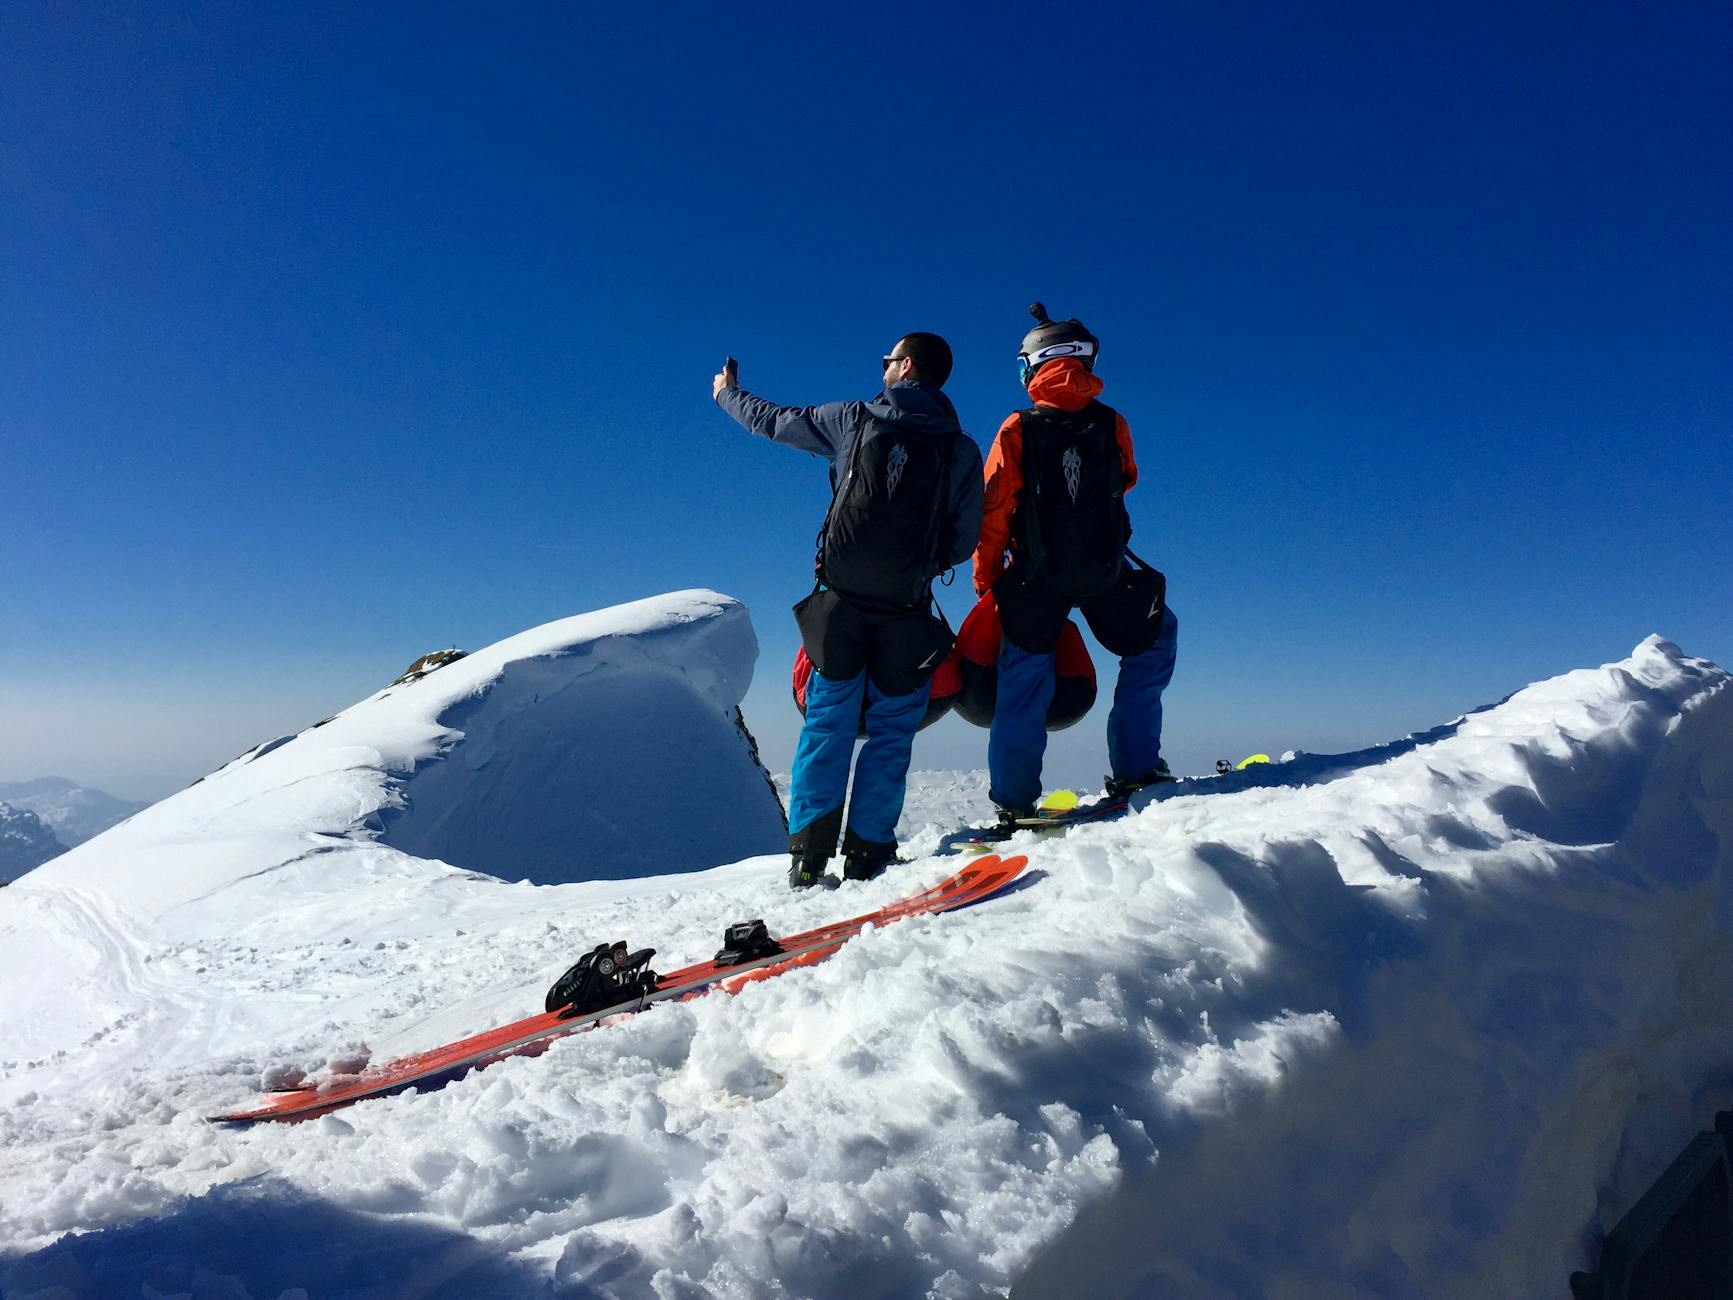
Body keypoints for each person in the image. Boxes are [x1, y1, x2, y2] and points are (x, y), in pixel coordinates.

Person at [713, 335, 983, 888]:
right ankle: (869, 856)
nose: (881, 366)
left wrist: (726, 395)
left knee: (827, 720)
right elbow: (963, 539)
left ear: (905, 367)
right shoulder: (960, 449)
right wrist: (918, 566)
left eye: (887, 359)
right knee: (891, 731)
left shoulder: (851, 420)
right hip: (907, 609)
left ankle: (808, 860)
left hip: (839, 603)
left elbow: (772, 420)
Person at [972, 303, 1178, 823]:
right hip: (1104, 569)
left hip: (1035, 575)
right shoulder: (1113, 423)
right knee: (1155, 637)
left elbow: (992, 510)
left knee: (1022, 678)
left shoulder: (1018, 426)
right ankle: (1136, 768)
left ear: (1034, 364)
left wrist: (987, 581)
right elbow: (1125, 481)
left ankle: (1015, 804)